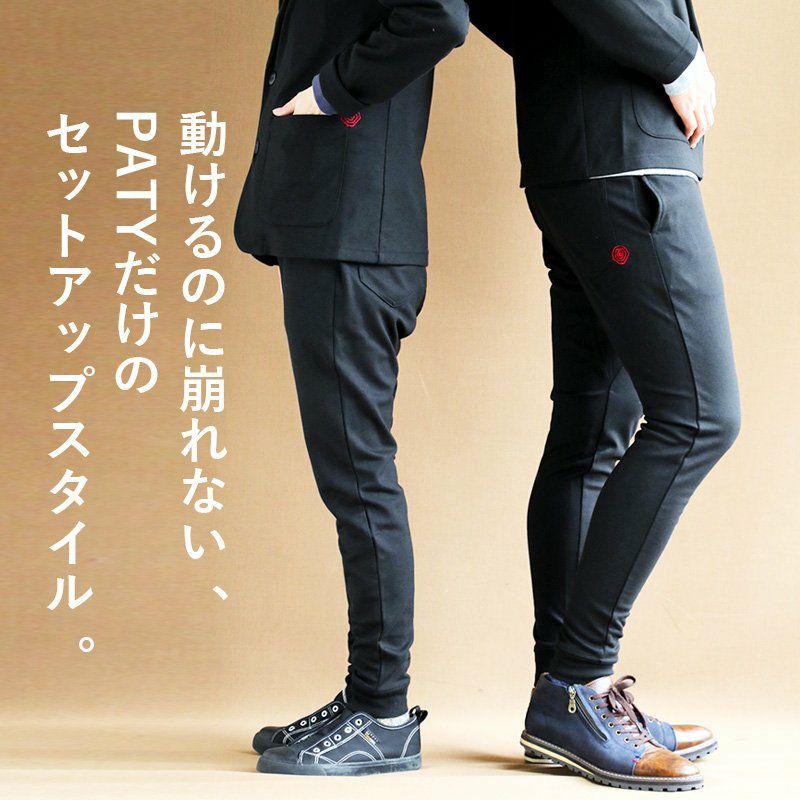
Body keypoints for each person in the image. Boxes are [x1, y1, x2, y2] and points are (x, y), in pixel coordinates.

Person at [467, 0, 739, 791]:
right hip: (623, 154)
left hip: (581, 153)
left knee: (592, 435)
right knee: (699, 417)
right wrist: (674, 56)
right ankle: (579, 679)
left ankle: (565, 702)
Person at [233, 0, 469, 777]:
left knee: (360, 481)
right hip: (336, 227)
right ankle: (367, 698)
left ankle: (382, 711)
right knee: (355, 479)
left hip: (352, 233)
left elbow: (441, 15)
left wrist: (330, 91)